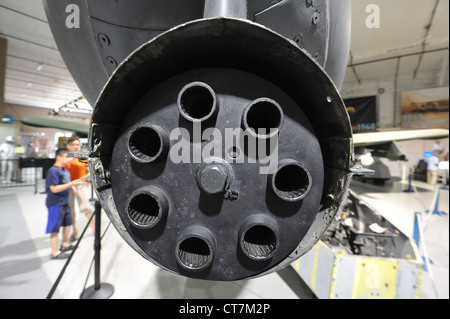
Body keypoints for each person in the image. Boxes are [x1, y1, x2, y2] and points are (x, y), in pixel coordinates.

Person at [46, 148, 84, 259]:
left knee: (67, 224)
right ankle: (54, 252)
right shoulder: (53, 171)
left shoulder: (65, 171)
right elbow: (53, 189)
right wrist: (71, 184)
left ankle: (65, 244)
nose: (70, 159)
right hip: (55, 203)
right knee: (55, 227)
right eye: (67, 157)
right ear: (58, 157)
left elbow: (66, 182)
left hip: (65, 202)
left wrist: (72, 187)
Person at [65, 136, 94, 241]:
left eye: (77, 144)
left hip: (81, 184)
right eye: (73, 144)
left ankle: (94, 228)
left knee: (86, 207)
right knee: (71, 210)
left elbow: (92, 169)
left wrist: (85, 177)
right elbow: (63, 173)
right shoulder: (65, 156)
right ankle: (75, 230)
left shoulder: (82, 156)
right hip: (68, 185)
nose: (75, 146)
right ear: (68, 146)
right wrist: (71, 185)